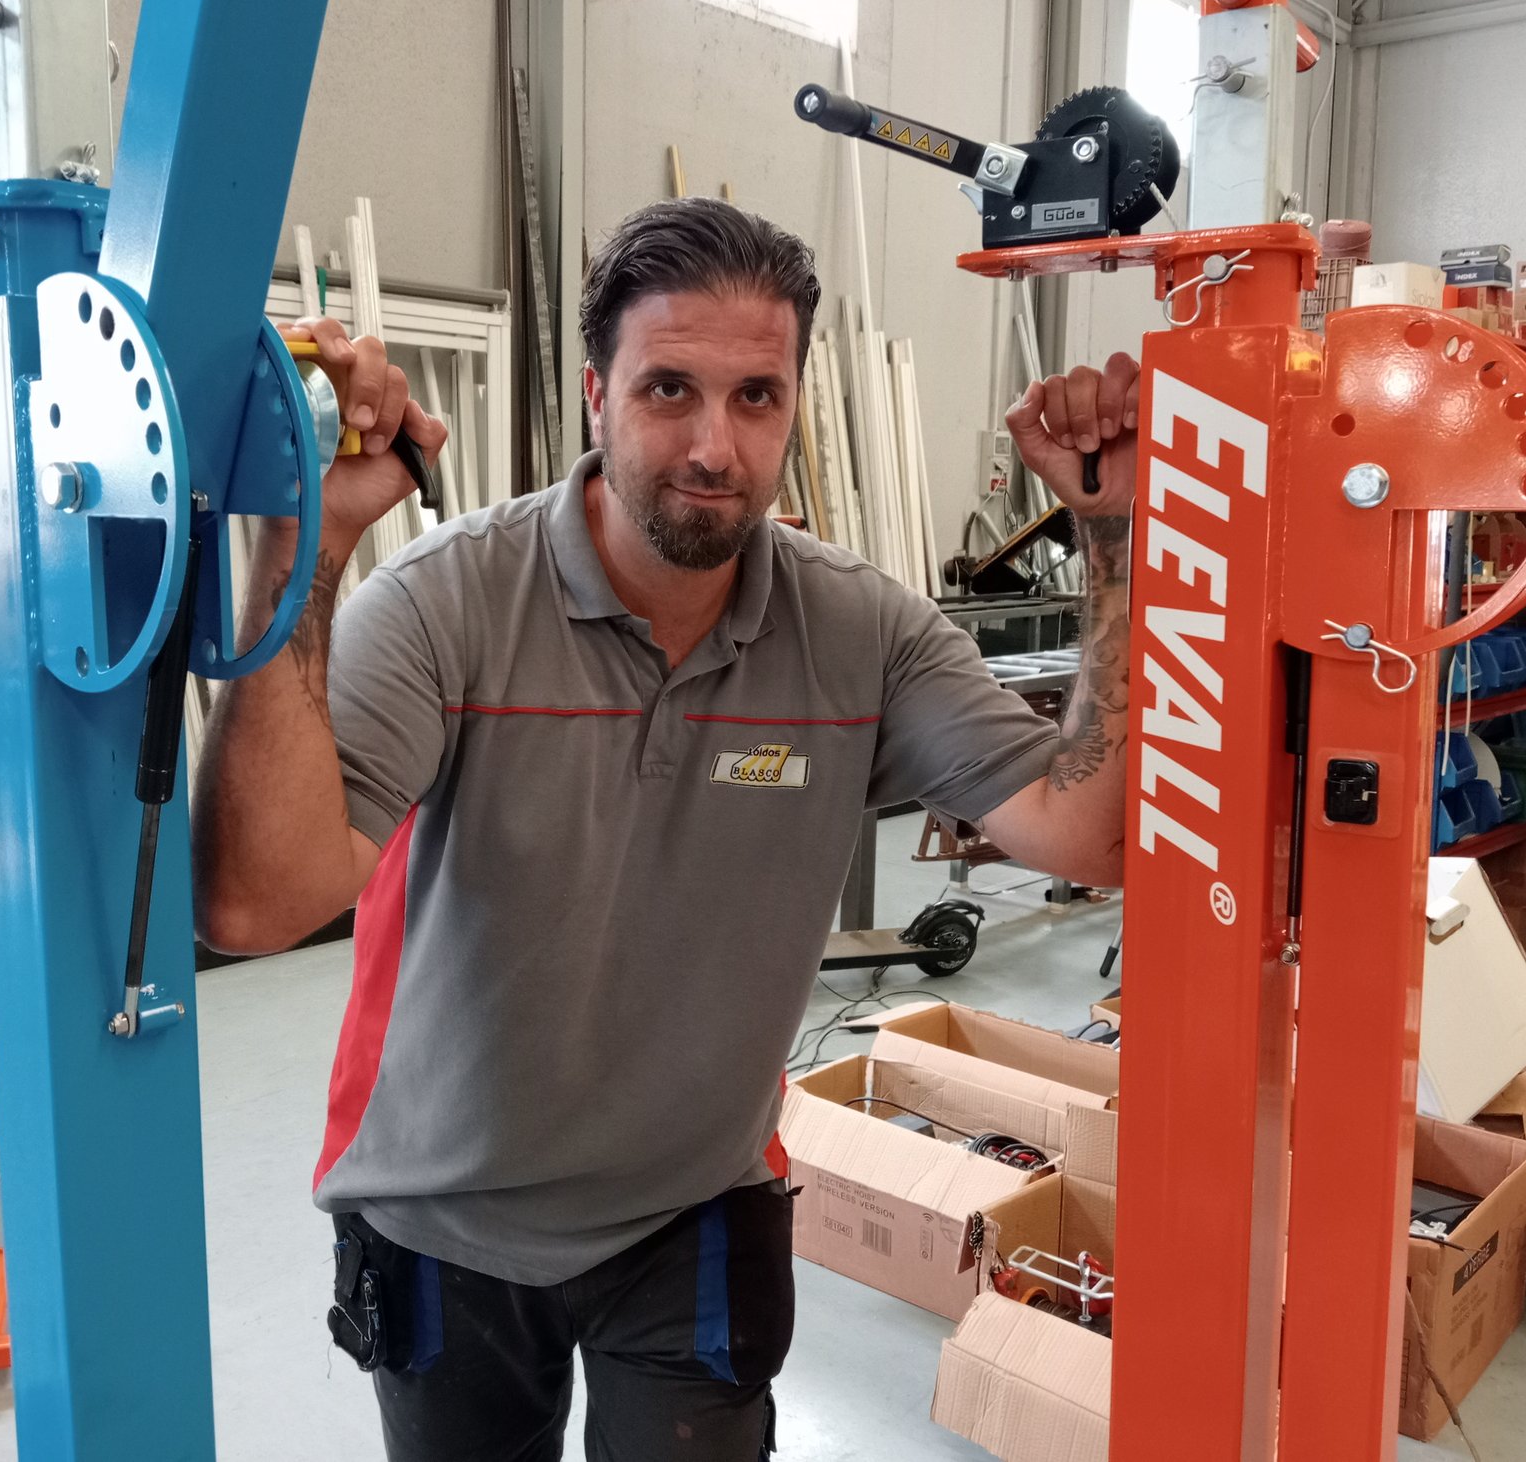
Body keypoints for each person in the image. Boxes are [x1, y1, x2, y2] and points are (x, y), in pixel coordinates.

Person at [193, 197, 1137, 1462]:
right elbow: (256, 904)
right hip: (442, 1217)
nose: (713, 446)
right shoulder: (445, 606)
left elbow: (1084, 841)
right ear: (596, 396)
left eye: (756, 398)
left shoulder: (860, 633)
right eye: (668, 390)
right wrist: (301, 545)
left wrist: (1116, 535)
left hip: (694, 1206)